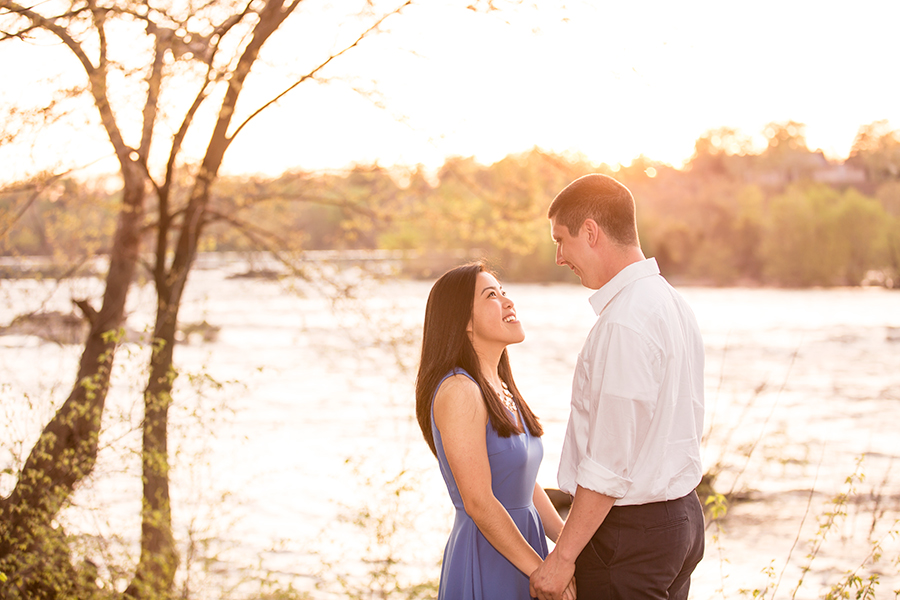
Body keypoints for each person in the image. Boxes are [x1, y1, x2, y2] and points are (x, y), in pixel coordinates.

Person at [529, 174, 706, 600]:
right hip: (680, 520)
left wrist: (563, 557)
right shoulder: (670, 303)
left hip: (631, 538)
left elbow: (609, 463)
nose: (558, 257)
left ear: (590, 232)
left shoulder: (626, 321)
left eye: (561, 240)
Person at [415, 262, 577, 600]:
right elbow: (478, 501)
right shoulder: (460, 390)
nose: (508, 301)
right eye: (492, 295)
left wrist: (566, 548)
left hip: (522, 546)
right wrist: (541, 570)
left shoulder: (500, 385)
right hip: (489, 553)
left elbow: (523, 482)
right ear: (465, 322)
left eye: (504, 292)